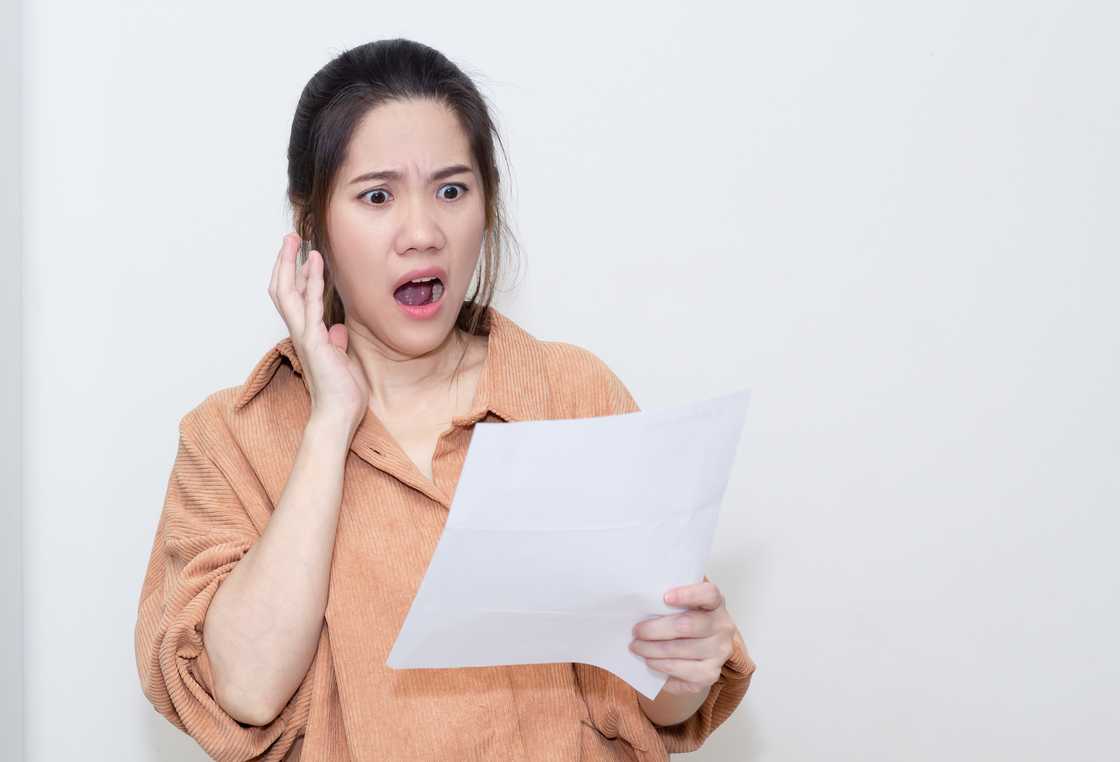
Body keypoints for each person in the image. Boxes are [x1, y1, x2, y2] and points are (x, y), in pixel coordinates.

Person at [133, 38, 757, 762]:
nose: (423, 233)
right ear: (313, 225)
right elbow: (243, 690)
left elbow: (654, 701)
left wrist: (687, 661)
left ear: (487, 206)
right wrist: (330, 422)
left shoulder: (575, 393)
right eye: (376, 196)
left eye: (452, 190)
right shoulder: (231, 437)